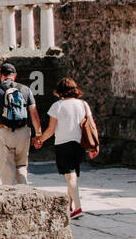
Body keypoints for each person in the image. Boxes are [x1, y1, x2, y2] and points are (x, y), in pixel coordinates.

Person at [35, 77, 94, 219]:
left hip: (63, 144)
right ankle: (69, 205)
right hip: (79, 144)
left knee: (70, 177)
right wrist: (94, 146)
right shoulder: (84, 104)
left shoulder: (57, 106)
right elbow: (92, 125)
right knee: (72, 176)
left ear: (60, 91)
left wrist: (40, 140)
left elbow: (51, 129)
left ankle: (78, 208)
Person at [0, 62, 42, 186]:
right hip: (23, 133)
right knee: (22, 167)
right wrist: (38, 135)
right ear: (15, 76)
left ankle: (11, 200)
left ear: (1, 75)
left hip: (4, 133)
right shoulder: (25, 89)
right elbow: (34, 114)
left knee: (7, 171)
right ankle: (24, 197)